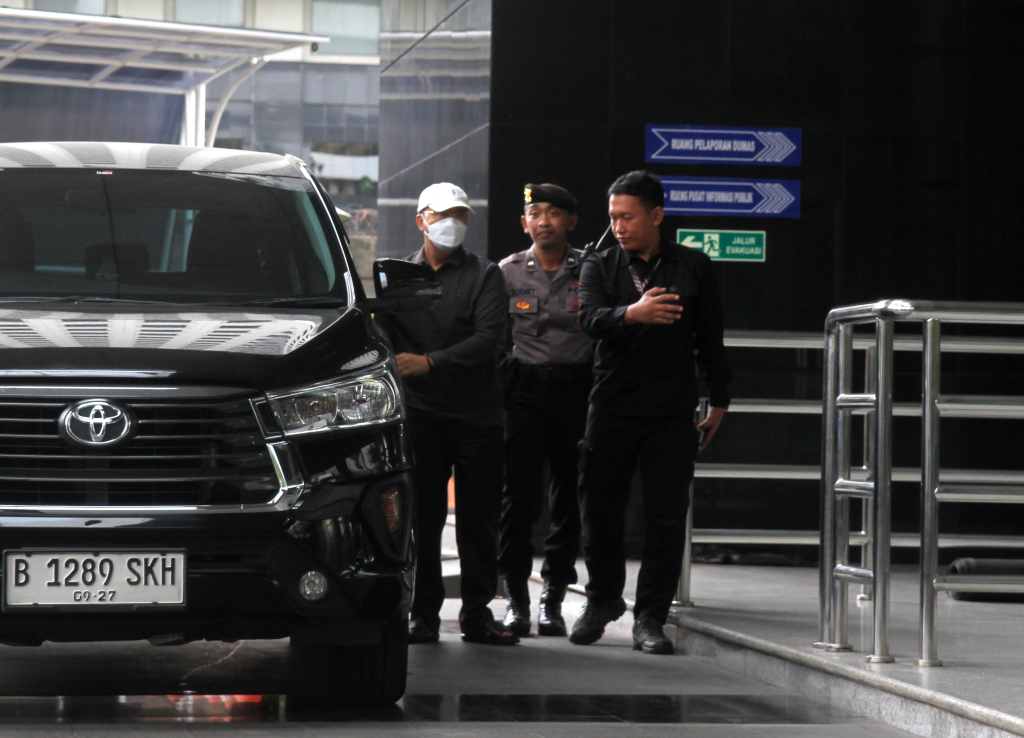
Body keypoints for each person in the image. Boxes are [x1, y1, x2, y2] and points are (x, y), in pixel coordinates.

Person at [569, 170, 731, 655]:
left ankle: (651, 617)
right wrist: (631, 314)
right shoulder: (600, 265)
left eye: (628, 217)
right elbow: (588, 319)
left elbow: (711, 340)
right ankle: (601, 601)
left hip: (670, 410)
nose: (618, 226)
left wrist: (719, 400)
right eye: (613, 216)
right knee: (600, 511)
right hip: (612, 405)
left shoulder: (694, 267)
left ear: (656, 215)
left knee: (665, 516)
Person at [377, 182, 518, 646]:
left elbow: (489, 340)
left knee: (479, 521)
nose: (451, 223)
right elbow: (385, 337)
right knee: (423, 520)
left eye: (460, 214)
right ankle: (423, 615)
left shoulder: (486, 274)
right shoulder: (398, 276)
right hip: (420, 415)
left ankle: (478, 615)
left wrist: (429, 361)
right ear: (421, 220)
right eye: (442, 215)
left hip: (478, 417)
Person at [497, 183, 593, 637]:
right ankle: (515, 597)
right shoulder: (508, 272)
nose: (545, 221)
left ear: (571, 221)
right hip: (524, 397)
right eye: (536, 213)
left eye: (555, 213)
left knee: (568, 500)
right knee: (519, 499)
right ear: (524, 223)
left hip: (576, 393)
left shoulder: (591, 269)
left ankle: (552, 596)